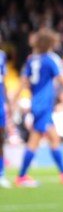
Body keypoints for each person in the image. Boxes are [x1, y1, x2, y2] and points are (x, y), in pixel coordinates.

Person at [14, 27, 63, 187]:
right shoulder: (50, 59)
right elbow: (61, 78)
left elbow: (23, 81)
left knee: (54, 138)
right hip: (44, 105)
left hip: (37, 103)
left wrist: (13, 99)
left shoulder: (32, 60)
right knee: (34, 140)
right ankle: (22, 176)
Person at [0, 44, 13, 188]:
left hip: (0, 104)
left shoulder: (2, 56)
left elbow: (3, 82)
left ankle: (1, 173)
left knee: (0, 138)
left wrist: (8, 102)